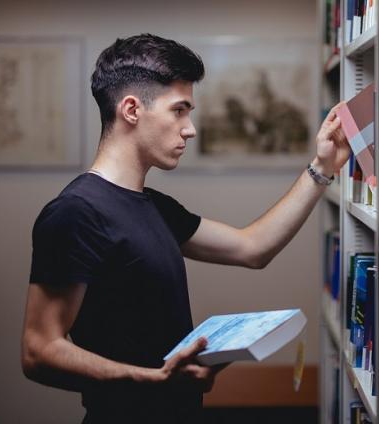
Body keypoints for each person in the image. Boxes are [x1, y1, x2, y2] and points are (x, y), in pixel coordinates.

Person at [21, 33, 349, 424]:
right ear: (131, 110)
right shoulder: (76, 212)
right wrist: (153, 379)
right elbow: (38, 350)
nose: (190, 128)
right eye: (179, 110)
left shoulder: (154, 206)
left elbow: (253, 247)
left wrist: (322, 167)